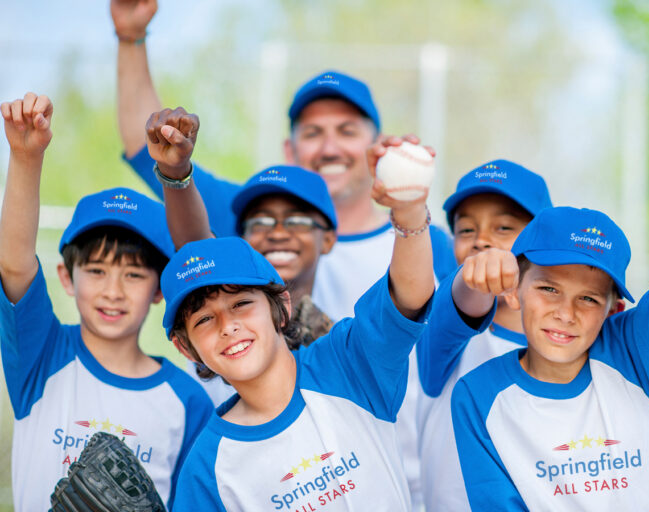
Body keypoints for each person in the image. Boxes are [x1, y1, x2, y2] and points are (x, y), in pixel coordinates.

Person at [110, 0, 456, 324]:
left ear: (376, 147)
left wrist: (409, 209)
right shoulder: (246, 215)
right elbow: (151, 149)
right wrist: (131, 36)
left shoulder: (422, 239)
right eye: (313, 132)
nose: (330, 147)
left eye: (347, 130)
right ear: (289, 151)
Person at [163, 136, 439, 510]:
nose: (228, 326)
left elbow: (409, 294)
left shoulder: (345, 364)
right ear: (185, 347)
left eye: (242, 303)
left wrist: (409, 212)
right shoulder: (206, 467)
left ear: (281, 307)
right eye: (205, 319)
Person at [450, 206, 649, 510]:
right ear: (512, 291)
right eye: (548, 289)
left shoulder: (631, 355)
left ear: (612, 311)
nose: (565, 313)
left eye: (588, 298)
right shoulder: (477, 394)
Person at [0, 93, 214, 511]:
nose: (113, 290)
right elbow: (14, 266)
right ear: (67, 277)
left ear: (158, 290)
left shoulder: (188, 400)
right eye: (96, 271)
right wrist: (27, 158)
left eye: (133, 274)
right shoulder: (41, 355)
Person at [144, 106, 339, 406]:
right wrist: (176, 173)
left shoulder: (340, 346)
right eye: (260, 222)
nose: (277, 232)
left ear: (327, 238)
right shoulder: (218, 340)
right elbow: (195, 252)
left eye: (297, 221)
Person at [415, 159, 553, 511]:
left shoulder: (576, 342)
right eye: (466, 230)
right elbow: (461, 299)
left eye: (504, 227)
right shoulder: (445, 336)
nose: (482, 241)